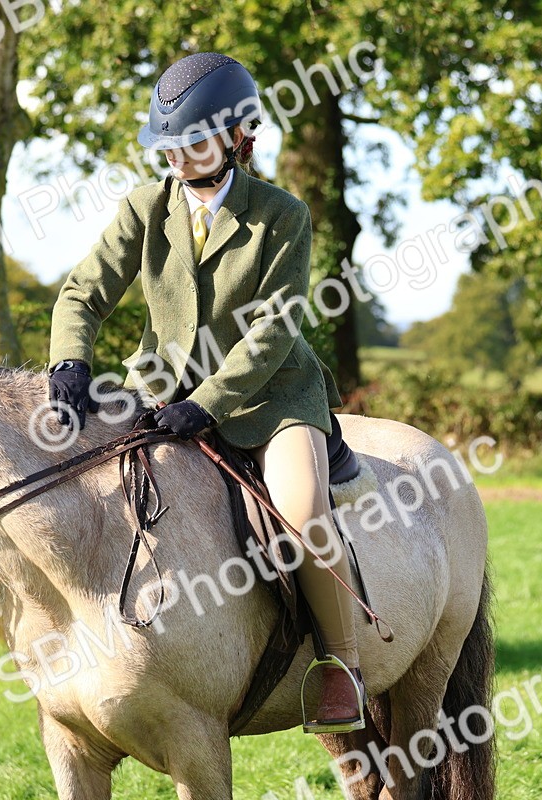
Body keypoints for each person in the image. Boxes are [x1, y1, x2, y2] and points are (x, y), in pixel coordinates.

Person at [47, 53, 365, 733]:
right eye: (168, 145)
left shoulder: (281, 216)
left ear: (237, 136)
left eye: (192, 143)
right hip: (159, 393)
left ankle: (342, 664)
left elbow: (273, 331)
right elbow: (82, 292)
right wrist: (70, 362)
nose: (177, 157)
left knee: (303, 510)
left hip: (269, 397)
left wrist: (208, 404)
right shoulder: (144, 208)